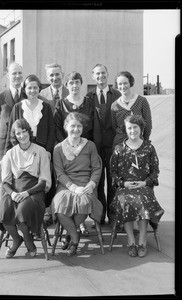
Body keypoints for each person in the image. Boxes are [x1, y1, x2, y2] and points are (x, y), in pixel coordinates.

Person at [0, 118, 52, 258]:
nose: (22, 136)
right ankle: (17, 239)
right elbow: (5, 181)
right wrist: (13, 194)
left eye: (24, 131)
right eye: (18, 133)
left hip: (34, 191)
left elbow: (44, 181)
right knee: (3, 211)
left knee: (22, 211)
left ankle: (28, 241)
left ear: (29, 131)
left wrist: (27, 193)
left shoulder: (40, 151)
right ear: (14, 135)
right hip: (14, 190)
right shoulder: (10, 153)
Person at [109, 115, 164, 258]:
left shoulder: (149, 148)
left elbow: (155, 171)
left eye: (135, 127)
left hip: (144, 186)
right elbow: (113, 172)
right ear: (125, 130)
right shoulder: (119, 148)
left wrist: (145, 182)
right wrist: (123, 183)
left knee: (142, 201)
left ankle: (142, 241)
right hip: (125, 187)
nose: (132, 130)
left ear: (141, 128)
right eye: (129, 128)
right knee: (124, 201)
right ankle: (131, 241)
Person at [4, 74, 56, 226]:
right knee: (22, 179)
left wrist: (48, 150)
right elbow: (12, 131)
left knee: (43, 180)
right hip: (23, 149)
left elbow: (52, 130)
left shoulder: (45, 107)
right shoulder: (18, 107)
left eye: (35, 87)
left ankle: (44, 213)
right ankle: (20, 211)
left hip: (42, 151)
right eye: (29, 87)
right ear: (25, 90)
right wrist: (10, 152)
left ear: (39, 89)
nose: (32, 90)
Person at [51, 112, 103, 256]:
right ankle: (74, 237)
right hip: (66, 185)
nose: (76, 129)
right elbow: (59, 172)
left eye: (79, 126)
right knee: (60, 207)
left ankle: (70, 236)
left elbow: (96, 168)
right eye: (72, 126)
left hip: (86, 184)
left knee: (83, 204)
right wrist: (72, 187)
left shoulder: (90, 145)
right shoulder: (58, 148)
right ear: (66, 126)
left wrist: (92, 184)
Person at [54, 71, 95, 234]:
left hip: (85, 149)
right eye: (71, 83)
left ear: (81, 83)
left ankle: (80, 221)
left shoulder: (89, 103)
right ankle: (71, 224)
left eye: (77, 82)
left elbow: (94, 126)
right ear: (66, 85)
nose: (74, 85)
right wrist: (64, 145)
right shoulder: (60, 104)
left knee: (86, 189)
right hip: (67, 149)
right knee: (66, 188)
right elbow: (57, 127)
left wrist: (88, 146)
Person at [86, 64, 121, 225]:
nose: (101, 76)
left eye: (103, 73)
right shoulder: (88, 97)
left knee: (113, 182)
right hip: (96, 147)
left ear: (108, 74)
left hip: (114, 146)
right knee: (98, 182)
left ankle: (113, 215)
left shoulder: (117, 94)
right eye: (97, 74)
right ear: (93, 76)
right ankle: (99, 216)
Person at [0, 62, 25, 163]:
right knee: (4, 173)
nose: (17, 76)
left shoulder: (28, 95)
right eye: (14, 73)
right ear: (8, 75)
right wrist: (3, 135)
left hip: (24, 140)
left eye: (20, 73)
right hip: (3, 142)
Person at [111, 70, 152, 149]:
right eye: (120, 84)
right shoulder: (114, 105)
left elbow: (148, 125)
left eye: (125, 83)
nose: (123, 86)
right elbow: (114, 127)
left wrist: (144, 141)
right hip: (120, 145)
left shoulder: (141, 101)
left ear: (130, 83)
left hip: (138, 143)